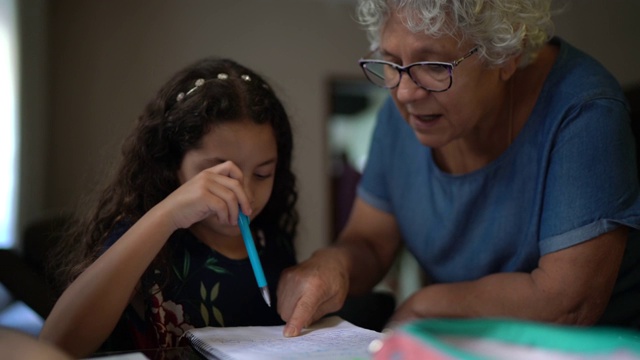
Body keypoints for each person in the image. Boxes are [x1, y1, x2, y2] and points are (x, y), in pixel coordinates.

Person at [277, 0, 640, 338]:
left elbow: (565, 303)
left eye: (434, 66)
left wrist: (424, 305)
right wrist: (332, 265)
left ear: (506, 55)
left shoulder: (584, 111)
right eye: (391, 61)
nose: (405, 93)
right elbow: (371, 243)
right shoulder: (402, 115)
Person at [39, 57, 298, 357]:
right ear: (172, 163)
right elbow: (55, 345)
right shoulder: (147, 238)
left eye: (263, 173)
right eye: (223, 174)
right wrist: (167, 213)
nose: (245, 193)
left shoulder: (271, 238)